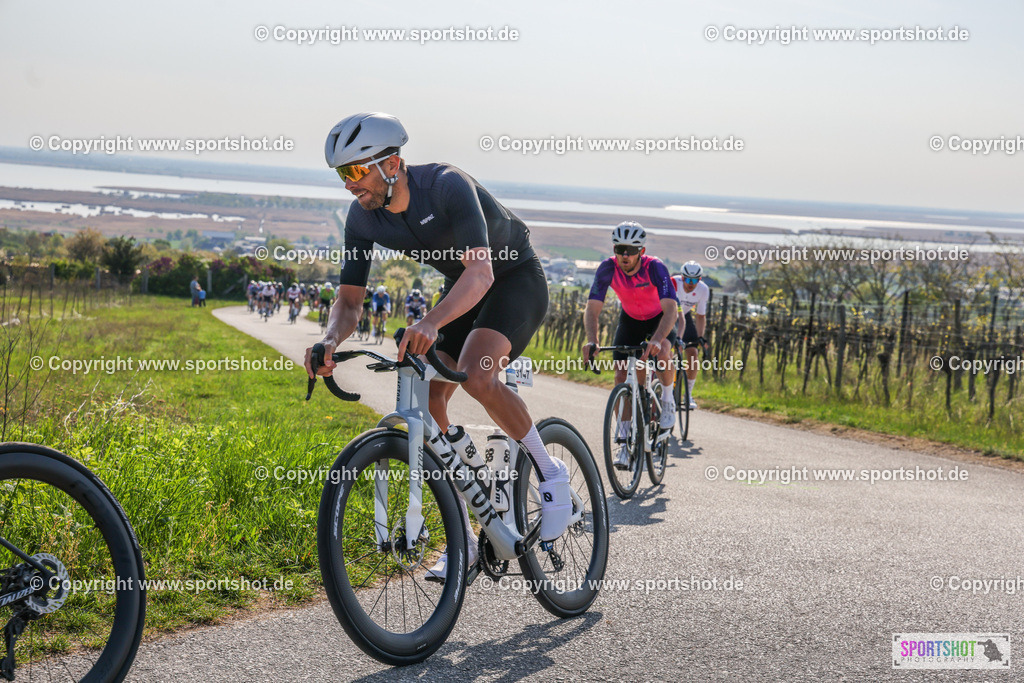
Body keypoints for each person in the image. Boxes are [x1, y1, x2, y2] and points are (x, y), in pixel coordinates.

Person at [305, 112, 571, 582]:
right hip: (462, 289)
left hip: (511, 280)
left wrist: (429, 321)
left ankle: (550, 474)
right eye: (340, 175)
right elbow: (349, 301)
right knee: (430, 403)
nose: (348, 185)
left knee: (477, 372)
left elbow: (483, 273)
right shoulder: (362, 218)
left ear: (391, 164)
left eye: (354, 171)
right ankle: (468, 534)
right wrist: (328, 339)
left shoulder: (447, 185)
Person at [581, 222, 678, 469]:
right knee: (622, 375)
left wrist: (657, 338)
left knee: (664, 350)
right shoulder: (607, 268)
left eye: (631, 250)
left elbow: (671, 310)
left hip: (659, 319)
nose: (625, 255)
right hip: (631, 321)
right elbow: (592, 310)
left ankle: (667, 400)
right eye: (620, 248)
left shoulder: (655, 268)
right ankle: (624, 443)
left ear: (641, 252)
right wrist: (592, 339)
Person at [671, 261, 710, 410]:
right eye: (687, 279)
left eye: (695, 280)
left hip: (684, 316)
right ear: (682, 277)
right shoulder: (674, 282)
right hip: (668, 315)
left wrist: (700, 336)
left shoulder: (703, 290)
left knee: (693, 353)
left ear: (700, 279)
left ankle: (688, 394)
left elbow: (700, 316)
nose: (691, 283)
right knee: (668, 348)